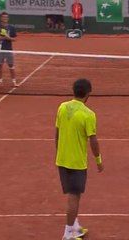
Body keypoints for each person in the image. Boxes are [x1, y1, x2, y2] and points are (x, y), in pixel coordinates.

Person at [55, 79, 104, 240]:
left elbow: (57, 132)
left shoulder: (62, 107)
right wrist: (98, 160)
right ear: (88, 94)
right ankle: (68, 233)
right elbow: (93, 140)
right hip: (76, 162)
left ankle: (74, 226)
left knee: (74, 194)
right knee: (73, 196)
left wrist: (59, 152)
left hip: (62, 159)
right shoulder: (88, 114)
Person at [0, 12, 18, 87]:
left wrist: (8, 38)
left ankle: (14, 81)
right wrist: (4, 37)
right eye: (3, 17)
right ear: (1, 18)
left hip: (8, 49)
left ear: (8, 19)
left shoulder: (12, 28)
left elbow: (15, 39)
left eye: (6, 17)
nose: (5, 19)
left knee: (11, 65)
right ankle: (0, 81)